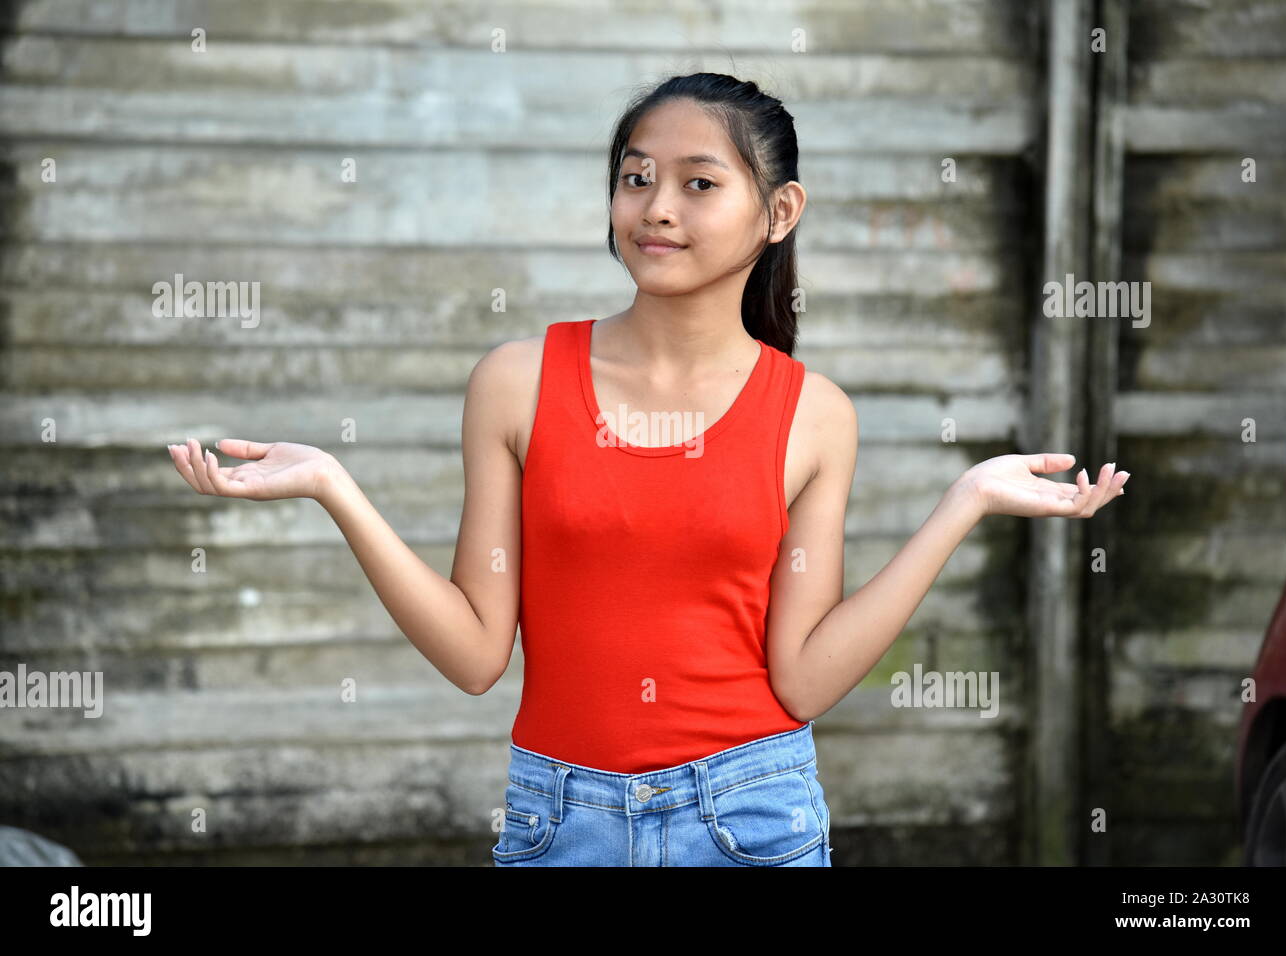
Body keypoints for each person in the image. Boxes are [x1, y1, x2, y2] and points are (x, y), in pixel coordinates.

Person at [165, 72, 1129, 866]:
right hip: (558, 820)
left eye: (699, 184)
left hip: (751, 817)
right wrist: (335, 486)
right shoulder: (516, 383)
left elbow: (799, 680)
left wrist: (961, 505)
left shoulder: (814, 415)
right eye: (636, 179)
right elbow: (473, 654)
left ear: (779, 211)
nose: (657, 209)